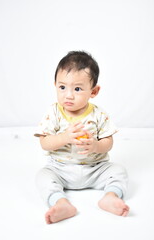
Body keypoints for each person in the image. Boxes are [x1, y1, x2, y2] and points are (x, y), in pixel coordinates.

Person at [34, 51, 129, 224]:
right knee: (42, 176)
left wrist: (95, 146)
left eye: (77, 89)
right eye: (62, 87)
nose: (68, 95)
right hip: (61, 169)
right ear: (55, 85)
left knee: (119, 171)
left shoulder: (99, 114)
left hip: (95, 168)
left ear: (94, 91)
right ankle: (60, 202)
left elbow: (108, 143)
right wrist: (64, 138)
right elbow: (45, 143)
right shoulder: (53, 112)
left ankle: (111, 196)